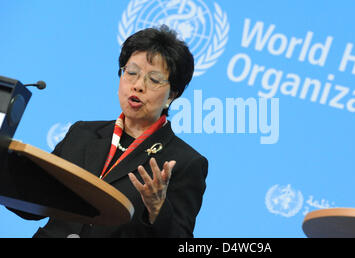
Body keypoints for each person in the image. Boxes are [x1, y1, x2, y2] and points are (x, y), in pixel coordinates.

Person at [10, 25, 208, 238]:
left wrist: (158, 209)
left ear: (172, 96)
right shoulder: (81, 133)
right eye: (131, 73)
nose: (138, 85)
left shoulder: (185, 162)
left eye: (154, 80)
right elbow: (34, 203)